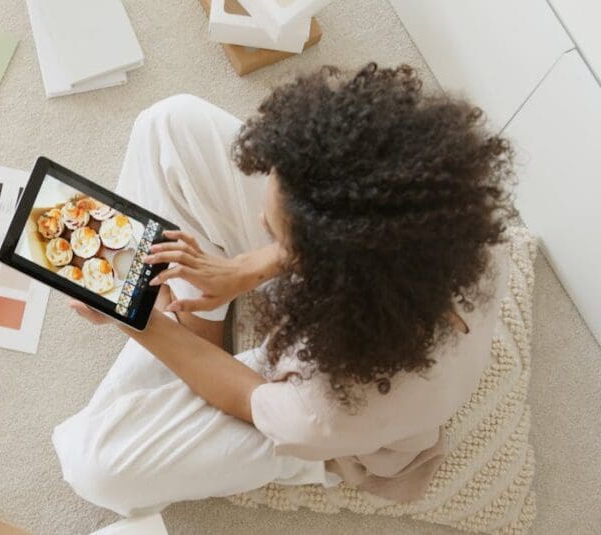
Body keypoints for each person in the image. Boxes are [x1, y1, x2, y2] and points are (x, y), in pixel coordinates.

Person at [52, 63, 516, 518]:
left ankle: (187, 334)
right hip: (349, 285)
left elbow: (244, 396)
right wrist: (245, 269)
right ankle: (196, 329)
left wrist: (140, 320)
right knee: (169, 125)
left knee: (93, 465)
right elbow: (342, 233)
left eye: (273, 233)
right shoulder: (451, 226)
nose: (258, 222)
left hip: (316, 405)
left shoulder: (333, 410)